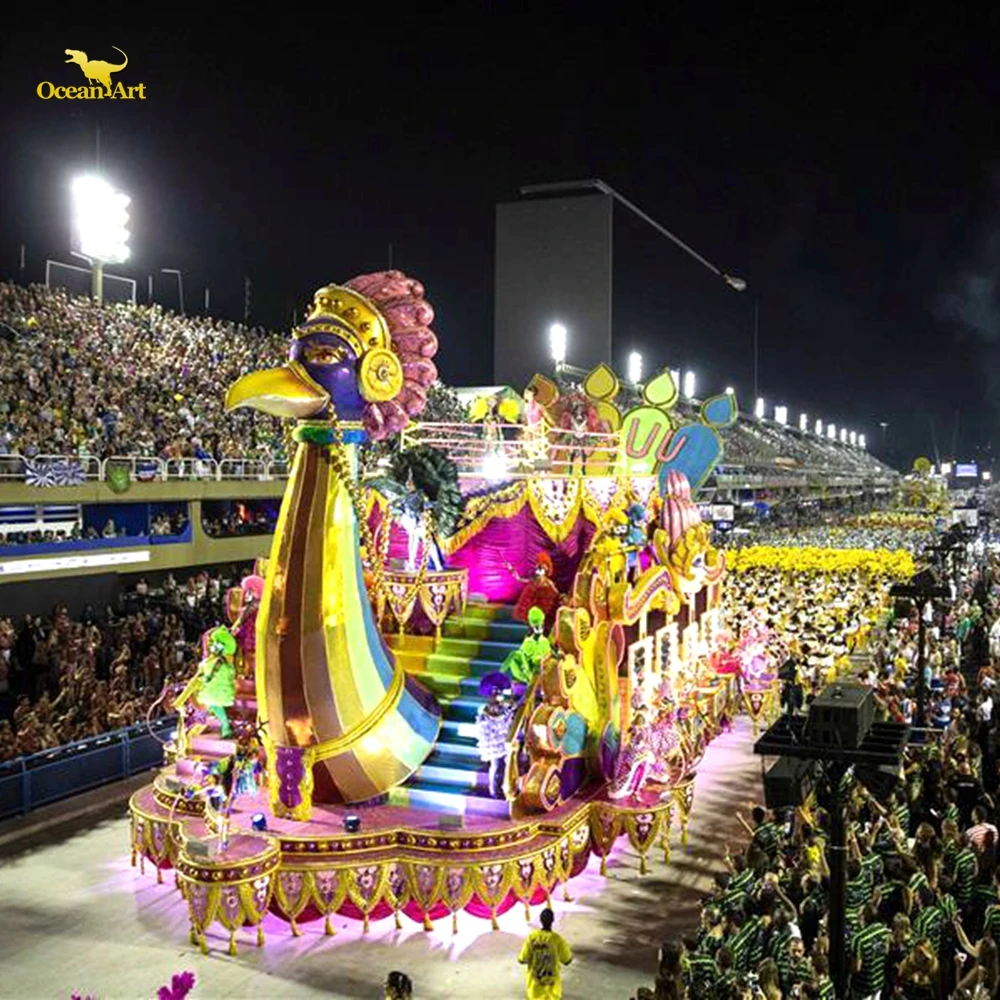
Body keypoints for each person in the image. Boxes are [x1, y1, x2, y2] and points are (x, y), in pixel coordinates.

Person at [475, 672, 516, 798]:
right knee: (496, 765)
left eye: (498, 691)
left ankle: (501, 789)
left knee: (503, 764)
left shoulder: (503, 705)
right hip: (493, 738)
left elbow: (507, 715)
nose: (497, 694)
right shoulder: (487, 708)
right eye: (494, 692)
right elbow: (494, 718)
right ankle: (494, 790)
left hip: (503, 737)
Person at [518, 907, 573, 999]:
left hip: (534, 992)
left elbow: (522, 959)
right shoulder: (557, 939)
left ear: (540, 920)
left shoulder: (531, 938)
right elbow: (567, 960)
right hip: (553, 993)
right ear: (552, 921)